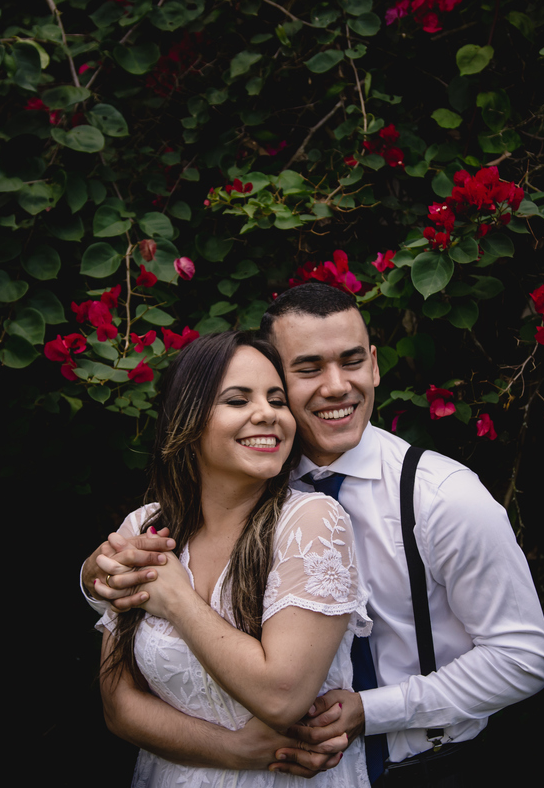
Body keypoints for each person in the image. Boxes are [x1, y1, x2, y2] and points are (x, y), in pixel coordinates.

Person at [84, 283, 544, 785]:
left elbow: (522, 657)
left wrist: (371, 710)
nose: (336, 386)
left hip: (417, 765)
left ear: (374, 364)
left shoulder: (441, 496)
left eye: (351, 362)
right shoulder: (253, 475)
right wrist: (95, 574)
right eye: (308, 369)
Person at [96, 330, 372, 787]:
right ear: (189, 420)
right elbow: (118, 705)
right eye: (237, 400)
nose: (267, 414)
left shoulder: (311, 523)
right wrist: (233, 750)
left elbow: (282, 695)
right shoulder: (146, 529)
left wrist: (179, 601)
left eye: (277, 399)